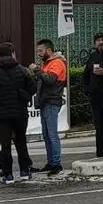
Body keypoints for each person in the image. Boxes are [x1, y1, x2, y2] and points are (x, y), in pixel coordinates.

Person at [0, 42, 38, 185]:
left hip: (2, 114)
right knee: (21, 141)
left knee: (5, 144)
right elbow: (33, 87)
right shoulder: (22, 70)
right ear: (12, 53)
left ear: (0, 56)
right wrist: (23, 97)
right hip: (20, 112)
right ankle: (24, 171)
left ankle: (8, 174)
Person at [33, 39, 68, 175]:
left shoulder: (57, 63)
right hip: (46, 101)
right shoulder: (47, 64)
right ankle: (51, 161)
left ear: (48, 50)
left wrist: (37, 71)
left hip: (51, 101)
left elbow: (50, 80)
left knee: (52, 135)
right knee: (47, 135)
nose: (39, 54)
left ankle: (56, 163)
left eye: (40, 51)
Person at [82, 33, 103, 157]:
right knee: (99, 126)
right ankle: (100, 153)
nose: (101, 42)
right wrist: (87, 90)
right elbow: (86, 75)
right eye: (98, 40)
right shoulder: (92, 56)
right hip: (95, 96)